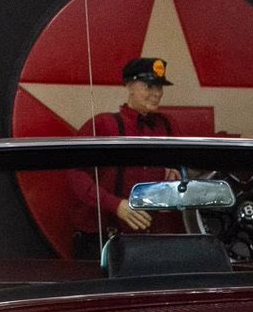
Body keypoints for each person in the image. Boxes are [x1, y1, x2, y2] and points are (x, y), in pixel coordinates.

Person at [69, 56, 181, 249]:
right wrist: (115, 204)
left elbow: (188, 161)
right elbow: (75, 173)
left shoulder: (167, 125)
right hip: (102, 235)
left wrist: (176, 176)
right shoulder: (104, 124)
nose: (157, 93)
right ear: (129, 86)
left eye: (159, 87)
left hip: (152, 237)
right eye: (148, 86)